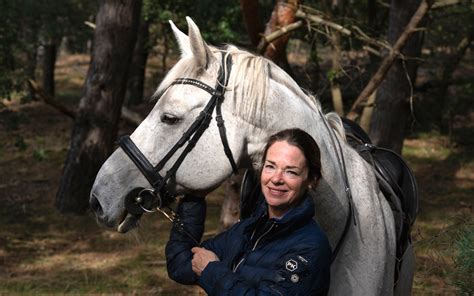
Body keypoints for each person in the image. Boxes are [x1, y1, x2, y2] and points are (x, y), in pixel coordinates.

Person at [165, 128, 331, 295]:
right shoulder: (246, 230)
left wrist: (211, 270)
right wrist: (194, 199)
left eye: (291, 172)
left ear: (311, 180)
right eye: (270, 167)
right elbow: (181, 265)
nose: (276, 179)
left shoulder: (311, 247)